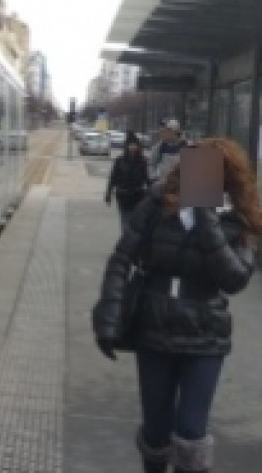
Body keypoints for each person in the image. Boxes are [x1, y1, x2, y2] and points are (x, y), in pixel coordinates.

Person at [93, 137, 258, 473]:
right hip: (154, 330)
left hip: (205, 336)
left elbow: (235, 279)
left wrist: (205, 215)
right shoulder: (157, 203)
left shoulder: (240, 217)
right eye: (197, 167)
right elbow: (122, 257)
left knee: (191, 432)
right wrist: (108, 317)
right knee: (155, 432)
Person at [106, 131, 151, 228]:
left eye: (135, 145)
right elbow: (113, 177)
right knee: (125, 221)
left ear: (138, 146)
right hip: (123, 195)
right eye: (130, 145)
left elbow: (147, 178)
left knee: (136, 221)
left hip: (138, 195)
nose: (133, 147)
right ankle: (126, 239)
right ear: (126, 146)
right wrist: (108, 194)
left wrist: (150, 193)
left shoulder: (142, 161)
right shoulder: (119, 161)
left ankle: (133, 240)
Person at [149, 119, 187, 183]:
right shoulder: (159, 147)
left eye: (165, 131)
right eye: (161, 131)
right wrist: (154, 177)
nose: (162, 134)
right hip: (163, 184)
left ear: (174, 132)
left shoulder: (187, 146)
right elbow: (151, 165)